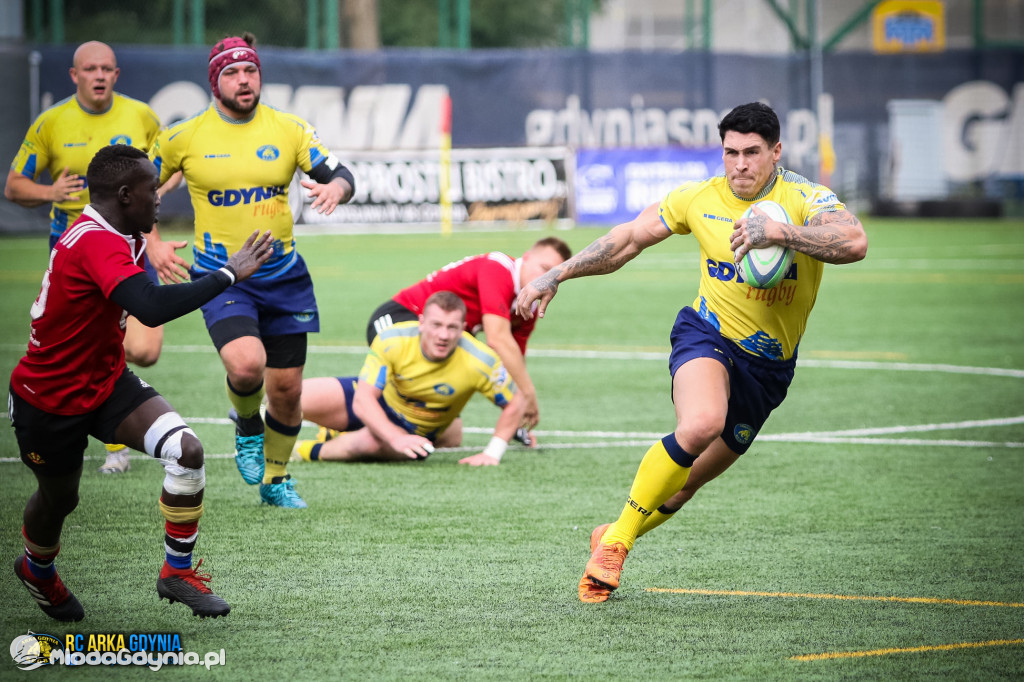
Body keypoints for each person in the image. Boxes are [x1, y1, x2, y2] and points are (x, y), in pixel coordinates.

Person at [515, 102, 868, 603]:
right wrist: (558, 272)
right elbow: (628, 239)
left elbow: (855, 241)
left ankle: (615, 531)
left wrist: (781, 232)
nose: (740, 164)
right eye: (731, 152)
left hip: (768, 370)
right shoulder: (698, 198)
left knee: (681, 488)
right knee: (700, 424)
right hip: (708, 336)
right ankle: (616, 546)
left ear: (776, 152)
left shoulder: (806, 197)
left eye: (752, 153)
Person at [9, 144, 273, 621]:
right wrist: (229, 273)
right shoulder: (95, 239)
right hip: (48, 399)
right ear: (126, 194)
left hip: (108, 383)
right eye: (154, 191)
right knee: (59, 499)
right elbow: (149, 307)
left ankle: (177, 573)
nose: (160, 200)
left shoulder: (122, 229)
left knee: (188, 451)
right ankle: (37, 570)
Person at [150, 33, 355, 508]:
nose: (244, 81)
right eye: (232, 73)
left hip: (283, 275)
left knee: (286, 391)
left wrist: (337, 191)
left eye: (251, 71)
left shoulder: (290, 129)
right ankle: (246, 425)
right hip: (224, 276)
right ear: (214, 81)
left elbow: (342, 174)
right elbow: (132, 193)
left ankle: (276, 479)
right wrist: (152, 242)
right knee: (246, 366)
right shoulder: (184, 136)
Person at [4, 40, 188, 475]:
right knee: (82, 344)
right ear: (75, 75)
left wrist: (152, 215)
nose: (99, 75)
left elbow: (174, 164)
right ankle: (114, 439)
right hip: (76, 252)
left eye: (107, 68)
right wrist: (50, 192)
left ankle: (110, 411)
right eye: (90, 68)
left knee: (146, 349)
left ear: (117, 74)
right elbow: (13, 186)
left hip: (132, 245)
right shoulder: (51, 123)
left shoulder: (141, 116)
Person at [364, 237, 571, 444]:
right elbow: (497, 338)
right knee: (405, 394)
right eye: (544, 268)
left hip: (443, 339)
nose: (545, 278)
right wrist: (528, 394)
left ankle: (381, 427)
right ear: (526, 257)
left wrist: (516, 415)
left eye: (554, 276)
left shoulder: (528, 306)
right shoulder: (498, 267)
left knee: (450, 436)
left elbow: (513, 359)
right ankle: (363, 415)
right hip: (401, 317)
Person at [295, 291, 525, 466]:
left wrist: (493, 452)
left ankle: (301, 450)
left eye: (452, 327)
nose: (443, 335)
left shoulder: (481, 360)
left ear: (464, 328)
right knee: (293, 396)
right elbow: (364, 399)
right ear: (422, 322)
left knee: (368, 443)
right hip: (379, 399)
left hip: (414, 426)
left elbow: (515, 402)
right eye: (436, 325)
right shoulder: (393, 338)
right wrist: (394, 437)